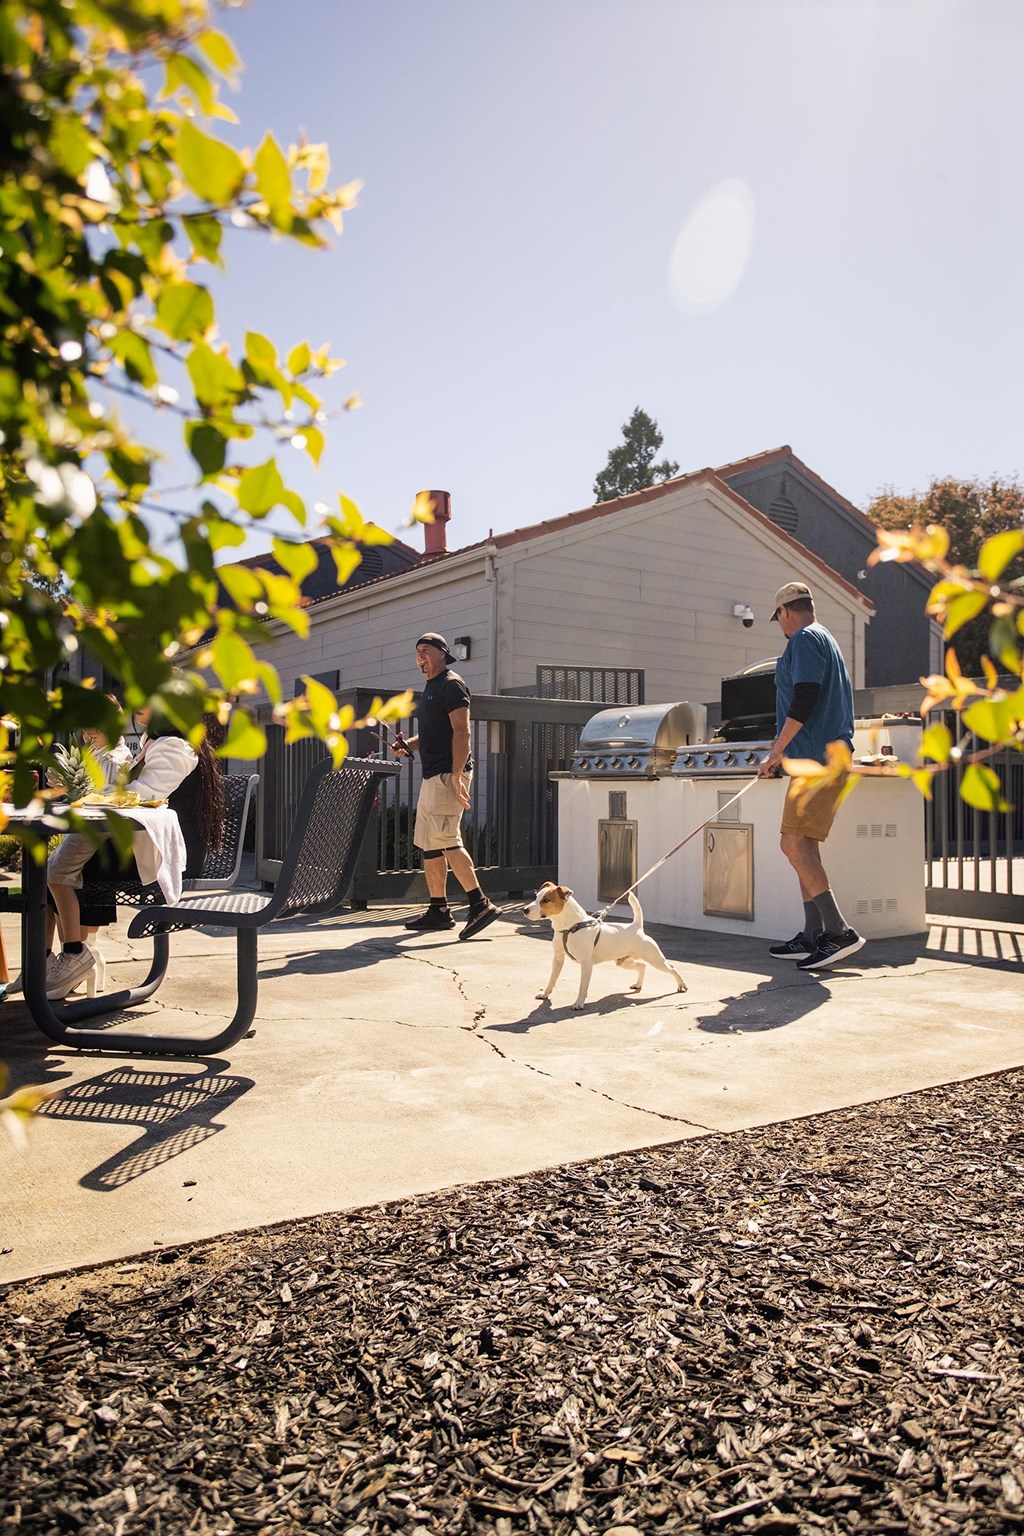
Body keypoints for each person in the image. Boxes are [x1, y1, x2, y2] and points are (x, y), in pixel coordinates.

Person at [43, 703, 225, 1000]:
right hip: (151, 846)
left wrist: (85, 794)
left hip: (167, 857)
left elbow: (141, 795)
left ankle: (75, 955)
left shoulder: (175, 748)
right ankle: (67, 958)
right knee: (56, 867)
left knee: (63, 869)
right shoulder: (159, 743)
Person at [757, 581, 864, 971]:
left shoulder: (803, 640)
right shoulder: (825, 639)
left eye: (778, 619)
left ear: (785, 612)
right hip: (817, 759)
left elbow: (804, 697)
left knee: (792, 844)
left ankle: (838, 931)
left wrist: (776, 750)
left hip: (818, 760)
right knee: (803, 846)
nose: (781, 626)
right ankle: (812, 934)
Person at [391, 632, 500, 940]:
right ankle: (439, 909)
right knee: (430, 843)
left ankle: (481, 905)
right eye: (417, 652)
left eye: (425, 650)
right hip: (432, 775)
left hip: (447, 775)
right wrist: (408, 746)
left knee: (447, 839)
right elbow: (432, 734)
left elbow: (462, 732)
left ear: (442, 653)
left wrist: (455, 775)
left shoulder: (452, 684)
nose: (420, 657)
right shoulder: (431, 688)